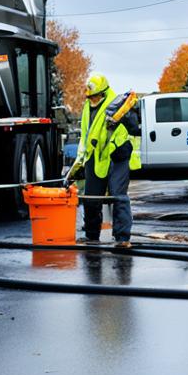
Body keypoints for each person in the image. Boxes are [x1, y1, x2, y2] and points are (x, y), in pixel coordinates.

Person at [76, 73, 141, 248]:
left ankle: (122, 238)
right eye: (90, 97)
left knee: (118, 196)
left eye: (95, 96)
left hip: (116, 156)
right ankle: (91, 236)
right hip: (95, 157)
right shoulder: (87, 106)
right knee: (90, 198)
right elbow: (86, 132)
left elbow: (123, 133)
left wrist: (114, 148)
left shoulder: (118, 106)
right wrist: (81, 156)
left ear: (104, 93)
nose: (92, 100)